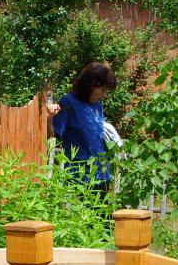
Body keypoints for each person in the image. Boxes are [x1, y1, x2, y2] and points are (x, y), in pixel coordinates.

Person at [46, 62, 122, 191]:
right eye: (102, 90)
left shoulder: (97, 105)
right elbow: (54, 134)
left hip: (102, 174)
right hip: (81, 177)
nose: (104, 96)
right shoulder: (68, 102)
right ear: (90, 86)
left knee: (103, 211)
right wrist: (49, 119)